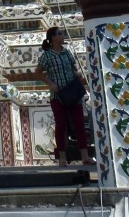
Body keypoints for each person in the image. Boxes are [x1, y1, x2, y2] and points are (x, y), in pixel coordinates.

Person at [33, 26, 94, 167]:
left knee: (79, 124)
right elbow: (37, 73)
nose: (62, 36)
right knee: (61, 125)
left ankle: (85, 156)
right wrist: (50, 84)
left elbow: (73, 68)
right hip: (58, 95)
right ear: (53, 38)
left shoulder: (67, 53)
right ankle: (62, 158)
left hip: (73, 92)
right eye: (60, 34)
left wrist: (77, 73)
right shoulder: (47, 55)